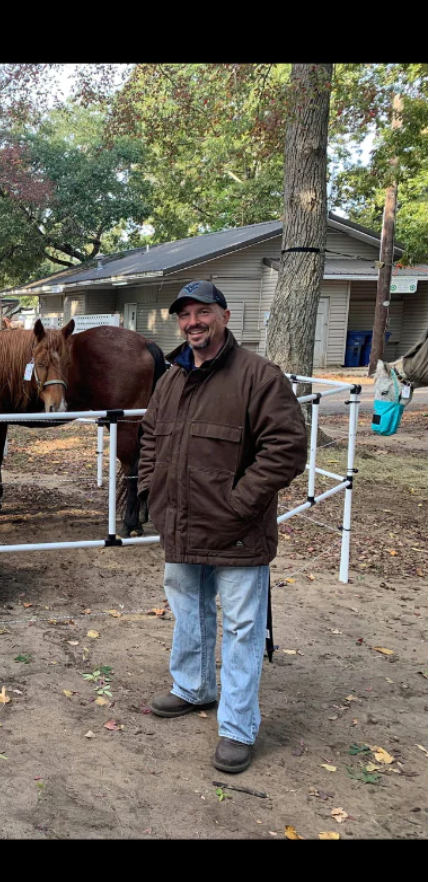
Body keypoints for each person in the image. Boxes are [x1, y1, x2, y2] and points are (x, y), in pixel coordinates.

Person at [137, 280, 307, 774]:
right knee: (188, 610)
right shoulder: (170, 378)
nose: (193, 322)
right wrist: (152, 491)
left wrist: (240, 504)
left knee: (242, 626)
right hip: (181, 524)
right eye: (185, 314)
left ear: (225, 316)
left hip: (236, 529)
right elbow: (151, 437)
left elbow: (286, 449)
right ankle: (193, 687)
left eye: (203, 312)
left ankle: (237, 726)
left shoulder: (260, 376)